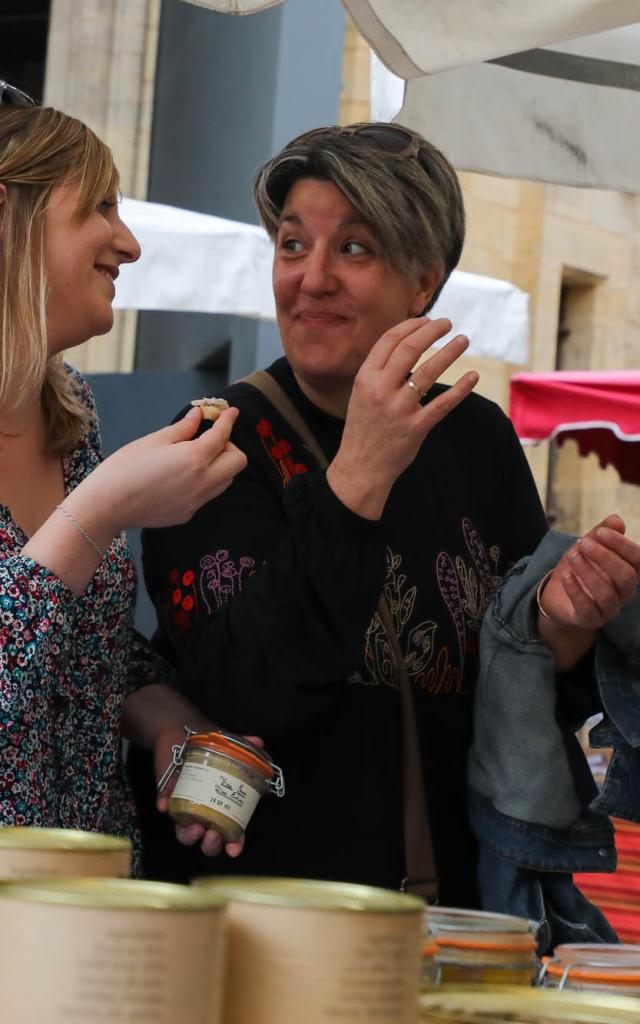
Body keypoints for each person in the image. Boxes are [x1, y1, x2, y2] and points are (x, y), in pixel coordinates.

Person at [133, 123, 640, 920]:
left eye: (356, 249)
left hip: (452, 920)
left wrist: (562, 619)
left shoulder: (474, 436)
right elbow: (249, 690)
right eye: (293, 244)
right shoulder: (212, 442)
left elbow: (522, 698)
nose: (313, 278)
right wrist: (360, 471)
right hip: (262, 922)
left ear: (422, 284)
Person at [0, 91, 248, 859]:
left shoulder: (72, 410)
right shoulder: (96, 483)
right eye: (100, 206)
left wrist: (169, 723)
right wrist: (100, 512)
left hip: (92, 907)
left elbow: (86, 652)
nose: (129, 242)